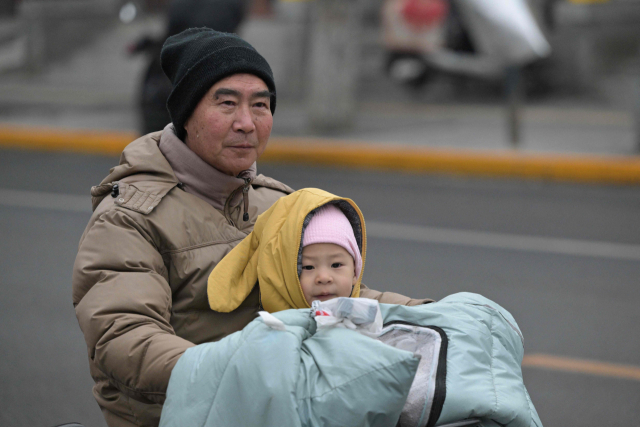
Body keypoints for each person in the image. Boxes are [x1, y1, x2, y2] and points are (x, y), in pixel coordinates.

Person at [72, 28, 430, 427]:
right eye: (226, 103)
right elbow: (125, 340)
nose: (246, 122)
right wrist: (245, 371)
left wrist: (432, 315)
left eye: (260, 105)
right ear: (187, 114)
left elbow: (338, 293)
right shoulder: (129, 217)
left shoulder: (278, 203)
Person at [208, 188, 371, 313]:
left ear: (355, 272)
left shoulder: (365, 322)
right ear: (284, 274)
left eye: (336, 265)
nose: (323, 278)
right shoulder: (277, 332)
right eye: (307, 267)